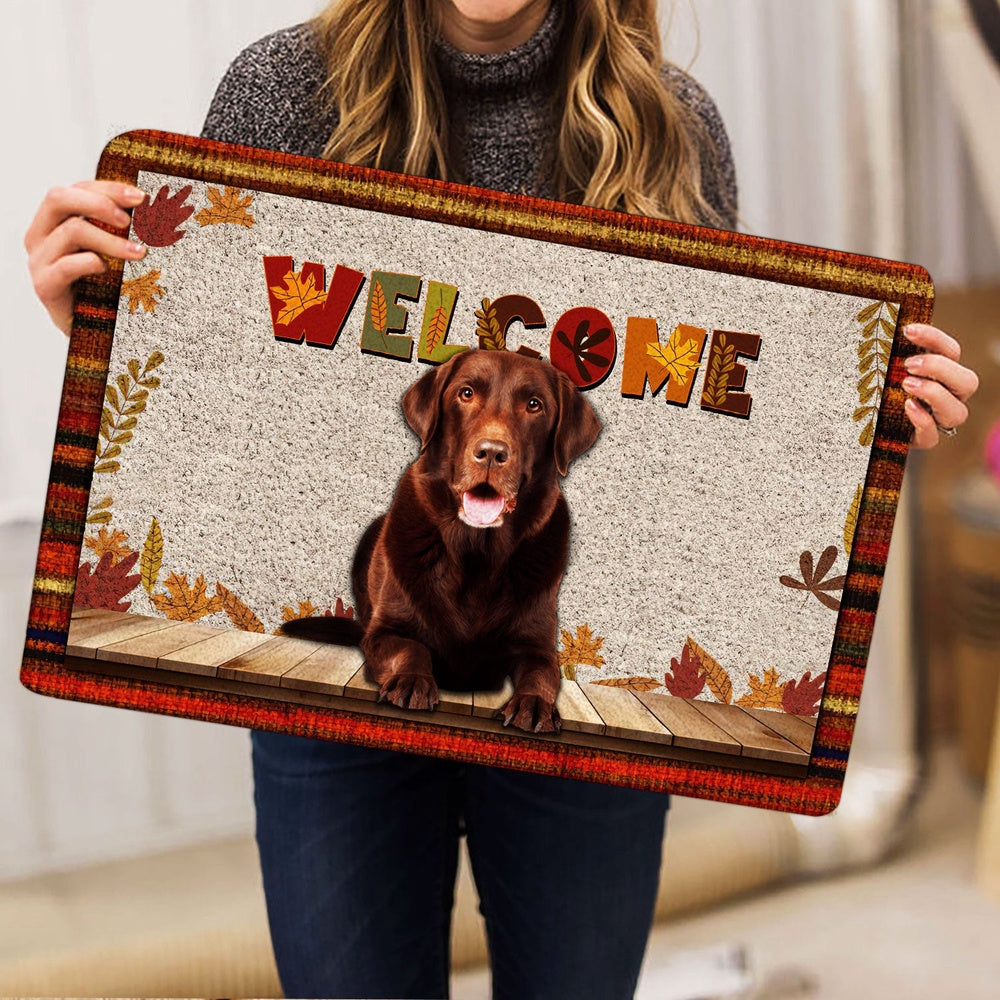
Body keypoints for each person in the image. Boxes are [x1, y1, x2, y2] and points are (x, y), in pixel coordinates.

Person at [24, 2, 981, 998]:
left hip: (578, 698)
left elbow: (692, 465)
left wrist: (848, 438)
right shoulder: (281, 93)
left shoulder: (671, 126)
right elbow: (224, 403)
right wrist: (107, 330)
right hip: (339, 687)